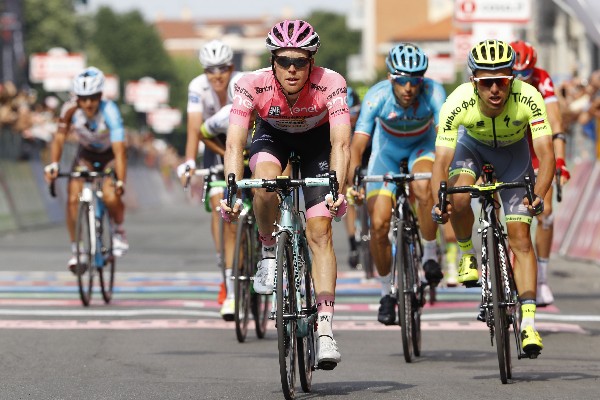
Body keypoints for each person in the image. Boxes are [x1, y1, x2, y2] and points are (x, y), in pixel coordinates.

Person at [220, 19, 350, 369]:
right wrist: (231, 190)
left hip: (318, 146)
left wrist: (338, 186)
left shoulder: (332, 83)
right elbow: (234, 144)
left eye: (301, 61)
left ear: (313, 61)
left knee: (320, 231)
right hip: (272, 138)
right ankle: (267, 250)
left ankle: (324, 329)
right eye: (284, 61)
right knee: (263, 183)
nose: (292, 69)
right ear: (272, 61)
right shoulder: (250, 85)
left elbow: (340, 143)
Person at [431, 39, 555, 356]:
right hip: (471, 150)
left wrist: (539, 195)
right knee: (458, 199)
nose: (495, 90)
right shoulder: (457, 101)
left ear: (512, 79)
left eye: (502, 81)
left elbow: (545, 153)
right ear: (474, 81)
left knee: (520, 238)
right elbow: (441, 162)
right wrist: (438, 201)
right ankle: (466, 254)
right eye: (487, 83)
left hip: (515, 158)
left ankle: (528, 324)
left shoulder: (529, 97)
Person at [347, 43, 446, 325]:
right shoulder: (376, 97)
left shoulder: (435, 92)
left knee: (425, 187)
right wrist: (355, 179)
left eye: (415, 80)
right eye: (402, 80)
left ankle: (429, 253)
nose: (408, 87)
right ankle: (385, 292)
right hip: (386, 153)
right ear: (391, 78)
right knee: (378, 225)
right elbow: (358, 145)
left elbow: (444, 140)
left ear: (422, 80)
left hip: (421, 149)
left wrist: (444, 174)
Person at [176, 40, 243, 321]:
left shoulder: (241, 83)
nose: (217, 75)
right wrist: (189, 160)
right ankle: (228, 282)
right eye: (210, 70)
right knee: (221, 210)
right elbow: (195, 129)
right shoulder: (197, 87)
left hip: (245, 144)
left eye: (222, 69)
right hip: (214, 145)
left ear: (231, 68)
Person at [44, 67, 129, 272]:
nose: (88, 104)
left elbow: (120, 152)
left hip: (109, 156)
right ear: (77, 99)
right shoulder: (69, 109)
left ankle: (118, 231)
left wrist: (120, 181)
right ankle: (77, 251)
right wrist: (54, 164)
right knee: (73, 198)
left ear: (100, 96)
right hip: (86, 156)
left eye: (92, 98)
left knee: (110, 195)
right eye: (83, 99)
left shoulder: (110, 111)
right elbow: (59, 138)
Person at [510, 40, 570, 306]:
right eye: (516, 73)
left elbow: (556, 122)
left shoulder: (542, 78)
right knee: (510, 214)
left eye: (526, 73)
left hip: (536, 144)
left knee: (544, 212)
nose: (521, 78)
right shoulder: (501, 82)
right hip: (510, 146)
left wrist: (560, 162)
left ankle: (542, 278)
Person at [342, 86, 363, 269]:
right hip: (349, 164)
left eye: (354, 112)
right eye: (347, 113)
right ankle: (353, 246)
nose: (351, 117)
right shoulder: (337, 127)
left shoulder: (365, 123)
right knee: (347, 193)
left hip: (368, 159)